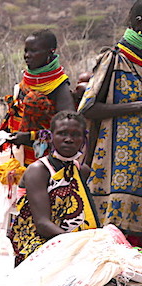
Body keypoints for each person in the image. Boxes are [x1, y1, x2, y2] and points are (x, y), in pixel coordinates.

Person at [78, 0, 142, 245]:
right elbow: (89, 107)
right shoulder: (114, 59)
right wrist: (136, 107)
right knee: (111, 239)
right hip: (112, 167)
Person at [7, 111, 97, 265]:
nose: (69, 139)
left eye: (76, 135)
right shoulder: (39, 171)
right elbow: (42, 224)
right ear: (51, 137)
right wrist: (77, 244)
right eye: (62, 133)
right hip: (35, 241)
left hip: (69, 238)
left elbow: (88, 213)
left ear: (83, 139)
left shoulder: (81, 171)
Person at [0, 29, 75, 163]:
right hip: (16, 154)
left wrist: (31, 137)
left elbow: (69, 129)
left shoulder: (59, 86)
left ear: (51, 51)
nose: (27, 56)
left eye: (33, 51)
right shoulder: (27, 80)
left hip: (43, 161)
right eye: (26, 51)